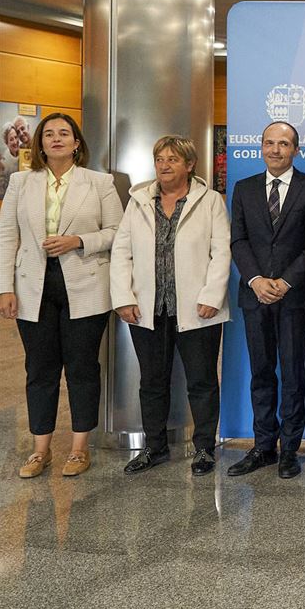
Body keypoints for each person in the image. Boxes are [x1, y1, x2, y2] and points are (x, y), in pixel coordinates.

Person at [0, 114, 122, 478]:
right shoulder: (21, 181)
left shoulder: (99, 182)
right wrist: (5, 287)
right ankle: (41, 450)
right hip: (33, 286)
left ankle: (79, 448)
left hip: (85, 284)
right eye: (48, 134)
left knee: (82, 368)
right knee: (40, 369)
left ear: (76, 143)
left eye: (63, 133)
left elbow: (118, 231)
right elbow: (8, 237)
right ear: (39, 144)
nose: (56, 139)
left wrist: (80, 241)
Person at [111, 136, 231, 476]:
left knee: (202, 381)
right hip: (148, 308)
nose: (164, 165)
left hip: (197, 308)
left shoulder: (209, 201)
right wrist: (123, 297)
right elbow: (122, 251)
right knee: (152, 381)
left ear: (189, 165)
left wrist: (212, 296)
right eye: (160, 159)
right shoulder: (138, 202)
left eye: (173, 159)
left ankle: (205, 448)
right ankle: (155, 447)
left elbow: (221, 252)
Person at [227, 121, 305, 480]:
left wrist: (285, 281)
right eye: (269, 143)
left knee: (292, 374)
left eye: (283, 144)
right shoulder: (243, 188)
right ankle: (263, 446)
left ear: (296, 150)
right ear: (261, 147)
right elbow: (238, 240)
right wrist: (255, 280)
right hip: (255, 297)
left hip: (294, 296)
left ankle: (290, 449)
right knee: (261, 373)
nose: (275, 150)